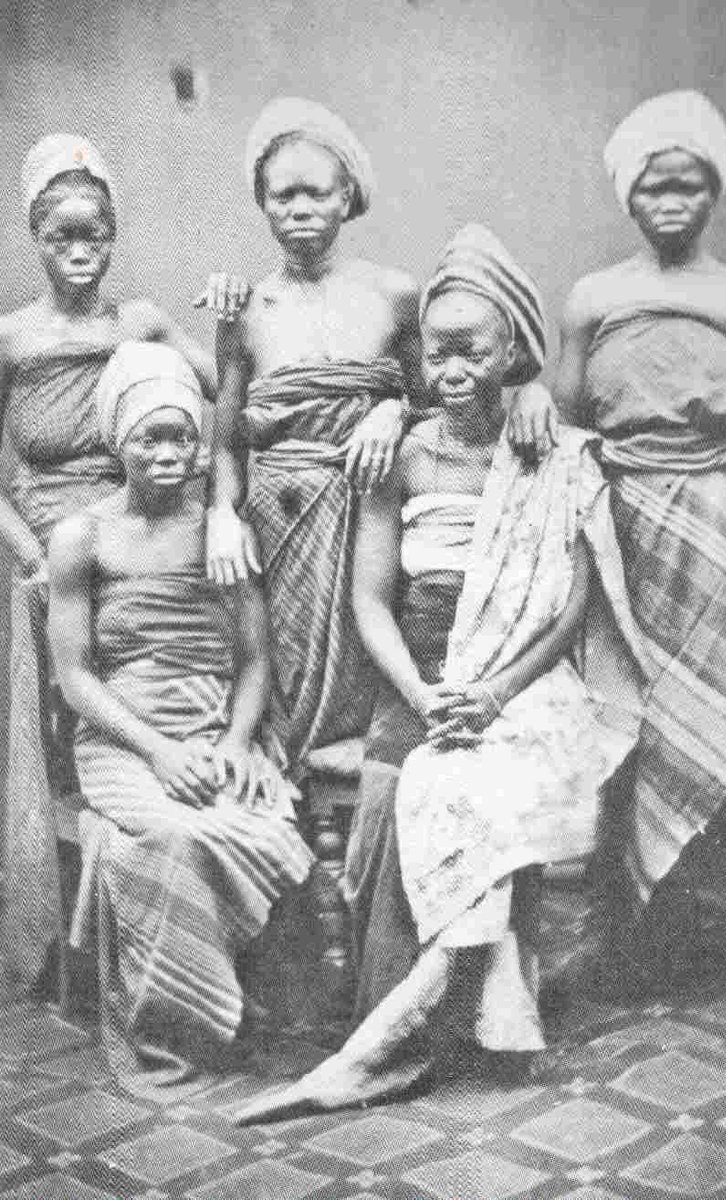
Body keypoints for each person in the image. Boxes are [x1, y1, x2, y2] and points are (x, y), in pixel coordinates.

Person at [236, 225, 644, 1122]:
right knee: (394, 793)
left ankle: (483, 1019)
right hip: (414, 676)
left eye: (475, 350)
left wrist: (493, 690)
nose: (453, 367)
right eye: (438, 350)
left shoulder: (549, 453)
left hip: (514, 676)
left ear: (512, 356)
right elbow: (369, 599)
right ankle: (400, 1025)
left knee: (497, 783)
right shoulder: (404, 452)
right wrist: (421, 696)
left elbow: (569, 602)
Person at [202, 96, 552, 774]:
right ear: (262, 203)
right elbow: (226, 436)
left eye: (315, 192)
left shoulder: (393, 295)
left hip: (372, 511)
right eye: (281, 195)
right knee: (283, 684)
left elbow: (448, 406)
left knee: (363, 690)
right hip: (279, 523)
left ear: (347, 198)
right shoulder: (245, 309)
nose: (298, 208)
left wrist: (392, 412)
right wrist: (221, 510)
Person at [550, 91, 726, 983]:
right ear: (628, 198)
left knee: (722, 715)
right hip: (622, 526)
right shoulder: (594, 298)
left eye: (689, 187)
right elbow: (567, 423)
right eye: (654, 190)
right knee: (631, 719)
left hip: (723, 522)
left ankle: (722, 929)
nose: (672, 203)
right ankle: (638, 934)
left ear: (713, 192)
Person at [47, 342, 312, 1092]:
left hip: (213, 723)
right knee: (169, 834)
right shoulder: (81, 538)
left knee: (257, 824)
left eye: (183, 438)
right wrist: (160, 753)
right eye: (149, 438)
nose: (168, 454)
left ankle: (240, 1009)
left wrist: (232, 742)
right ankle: (181, 1030)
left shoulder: (222, 530)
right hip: (123, 739)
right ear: (117, 443)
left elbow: (255, 660)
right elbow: (75, 677)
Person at [0, 133, 216, 995]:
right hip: (45, 558)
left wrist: (231, 330)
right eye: (62, 235)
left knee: (150, 693)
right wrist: (34, 560)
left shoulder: (143, 324)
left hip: (136, 537)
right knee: (60, 739)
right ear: (36, 237)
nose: (80, 251)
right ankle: (68, 941)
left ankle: (157, 889)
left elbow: (225, 402)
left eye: (95, 233)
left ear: (114, 233)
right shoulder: (11, 340)